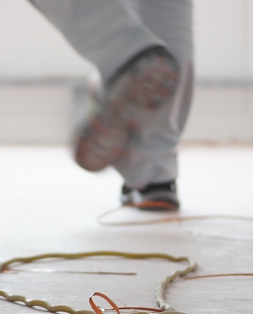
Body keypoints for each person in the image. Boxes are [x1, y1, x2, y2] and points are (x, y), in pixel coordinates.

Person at [30, 0, 194, 210]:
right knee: (164, 5)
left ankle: (126, 52)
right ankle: (154, 173)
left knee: (142, 44)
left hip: (122, 46)